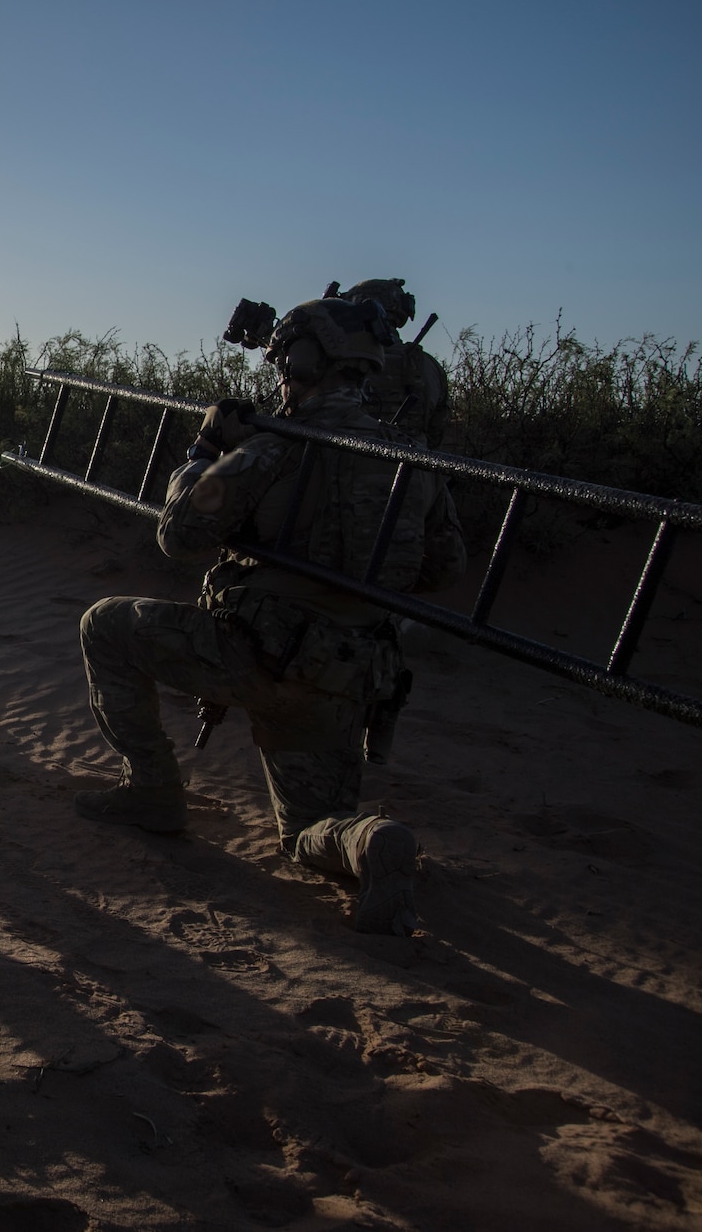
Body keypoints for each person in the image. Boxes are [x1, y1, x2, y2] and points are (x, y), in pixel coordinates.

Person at [72, 297, 466, 934]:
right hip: (348, 674)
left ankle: (151, 790)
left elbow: (179, 533)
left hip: (254, 652)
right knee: (309, 829)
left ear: (308, 359)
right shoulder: (409, 457)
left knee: (106, 625)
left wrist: (206, 448)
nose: (279, 375)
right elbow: (445, 566)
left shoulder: (277, 447)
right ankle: (369, 841)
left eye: (284, 361)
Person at [337, 278, 450, 449]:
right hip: (414, 468)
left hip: (351, 467)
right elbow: (437, 431)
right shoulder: (429, 366)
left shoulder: (338, 360)